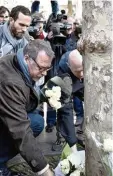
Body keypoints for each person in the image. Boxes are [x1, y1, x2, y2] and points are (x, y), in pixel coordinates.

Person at [0, 39, 55, 176]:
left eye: (47, 69)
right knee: (34, 124)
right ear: (27, 58)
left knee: (36, 120)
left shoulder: (14, 60)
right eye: (41, 68)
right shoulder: (11, 83)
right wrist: (43, 169)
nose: (44, 73)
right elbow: (20, 129)